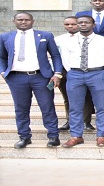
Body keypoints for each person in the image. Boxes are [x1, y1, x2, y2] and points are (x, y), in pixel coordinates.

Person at [0, 13, 63, 148]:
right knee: (21, 108)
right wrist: (3, 72)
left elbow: (56, 56)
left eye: (27, 19)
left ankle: (53, 136)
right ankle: (24, 137)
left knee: (47, 107)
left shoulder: (45, 35)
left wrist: (57, 74)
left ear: (32, 21)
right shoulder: (5, 37)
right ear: (14, 21)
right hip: (16, 78)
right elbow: (2, 57)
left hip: (41, 77)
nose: (23, 22)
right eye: (20, 19)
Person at [58, 16, 104, 147]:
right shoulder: (68, 42)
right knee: (75, 107)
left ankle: (101, 136)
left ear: (93, 25)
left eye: (87, 22)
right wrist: (74, 71)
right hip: (75, 74)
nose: (83, 24)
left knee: (102, 107)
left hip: (97, 73)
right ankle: (76, 136)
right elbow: (65, 60)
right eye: (80, 22)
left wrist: (98, 71)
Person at [55, 17, 81, 130]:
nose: (70, 26)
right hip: (65, 72)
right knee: (68, 98)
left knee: (86, 98)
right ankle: (70, 121)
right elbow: (55, 57)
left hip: (83, 70)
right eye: (67, 24)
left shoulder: (86, 37)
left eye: (73, 24)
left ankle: (86, 121)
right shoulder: (58, 39)